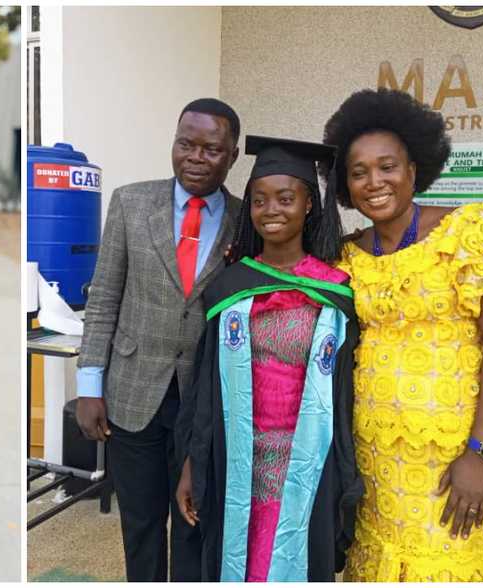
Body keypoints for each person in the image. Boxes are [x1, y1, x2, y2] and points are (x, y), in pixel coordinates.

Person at [322, 88, 483, 581]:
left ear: (414, 169)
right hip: (374, 452)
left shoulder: (472, 233)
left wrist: (481, 454)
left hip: (454, 451)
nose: (374, 182)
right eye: (358, 172)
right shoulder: (347, 254)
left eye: (387, 167)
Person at [174, 136, 363, 582]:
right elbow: (204, 391)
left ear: (309, 205)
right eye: (259, 200)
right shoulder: (230, 287)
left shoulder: (336, 290)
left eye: (285, 198)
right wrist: (192, 464)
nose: (270, 210)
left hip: (309, 459)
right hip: (237, 457)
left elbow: (344, 394)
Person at [75, 98, 243, 581]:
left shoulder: (246, 218)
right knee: (142, 523)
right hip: (132, 392)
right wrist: (89, 386)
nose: (196, 157)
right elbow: (104, 298)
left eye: (211, 149)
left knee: (194, 522)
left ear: (232, 156)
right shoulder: (130, 203)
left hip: (205, 401)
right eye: (186, 144)